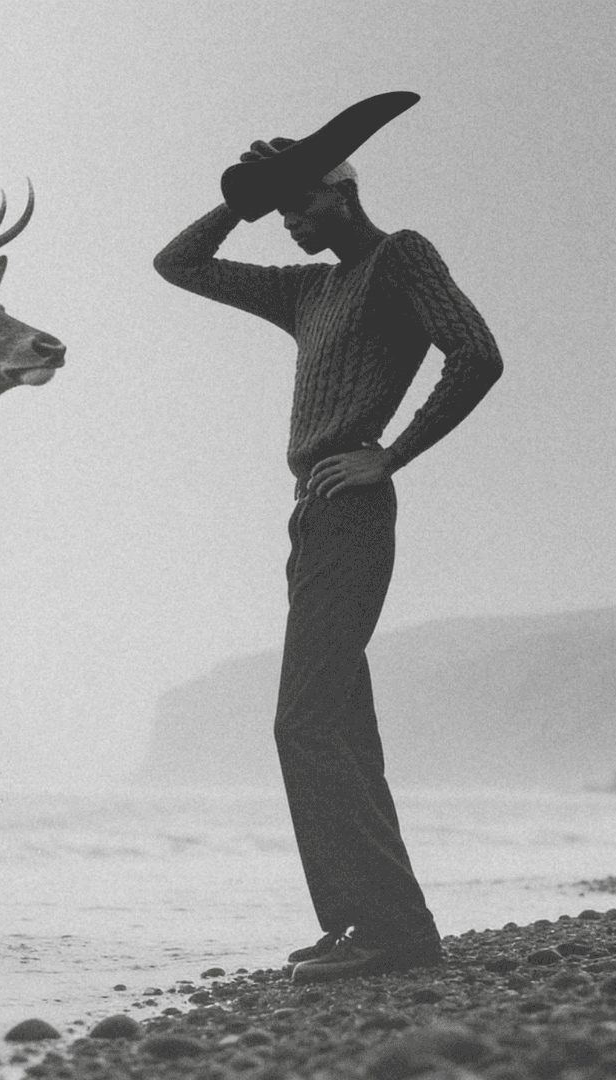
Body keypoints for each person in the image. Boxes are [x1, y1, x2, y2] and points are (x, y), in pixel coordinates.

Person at [152, 95, 503, 984]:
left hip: (352, 503)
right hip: (310, 513)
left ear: (338, 194)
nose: (290, 224)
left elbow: (477, 353)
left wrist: (391, 456)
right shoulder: (304, 289)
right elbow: (177, 263)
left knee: (301, 721)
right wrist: (247, 196)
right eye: (279, 213)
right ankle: (366, 922)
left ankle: (394, 931)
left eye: (298, 206)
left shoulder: (400, 256)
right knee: (341, 722)